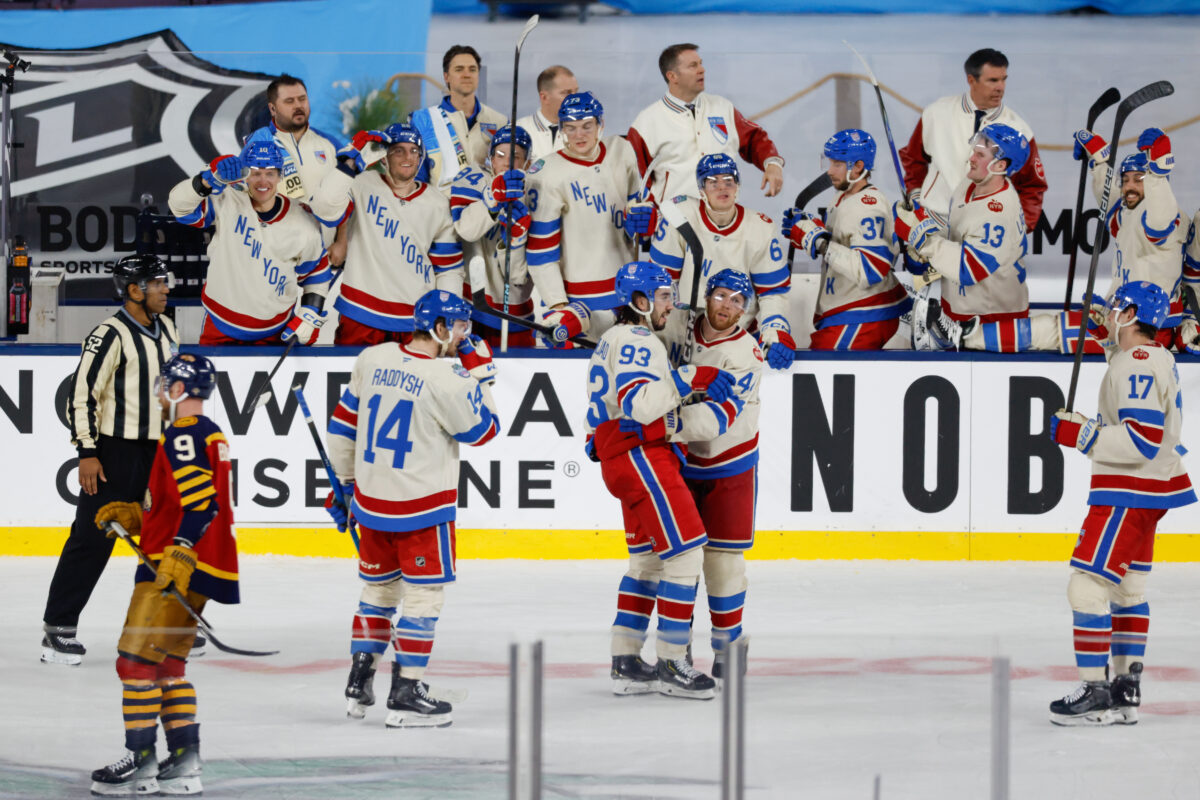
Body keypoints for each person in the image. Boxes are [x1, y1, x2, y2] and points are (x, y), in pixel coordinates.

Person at [325, 290, 501, 728]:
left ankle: (359, 679)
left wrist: (345, 486)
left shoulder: (374, 357)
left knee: (378, 593)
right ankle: (405, 691)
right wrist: (483, 374)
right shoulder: (450, 382)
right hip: (422, 511)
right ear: (440, 328)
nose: (465, 335)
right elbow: (487, 430)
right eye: (460, 327)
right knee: (423, 598)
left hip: (371, 505)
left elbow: (342, 428)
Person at [588, 261, 742, 700]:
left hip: (622, 457)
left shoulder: (611, 341)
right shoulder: (638, 340)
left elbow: (602, 415)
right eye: (661, 296)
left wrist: (597, 438)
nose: (669, 305)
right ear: (638, 302)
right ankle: (673, 661)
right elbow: (640, 406)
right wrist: (693, 376)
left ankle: (625, 657)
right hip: (641, 458)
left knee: (648, 562)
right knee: (687, 552)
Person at [1047, 281, 1195, 726]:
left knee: (1087, 587)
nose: (1109, 315)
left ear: (1130, 316)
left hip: (1126, 492)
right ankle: (1125, 692)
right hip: (1149, 492)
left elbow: (1141, 439)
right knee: (1128, 592)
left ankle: (1095, 694)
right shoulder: (1153, 358)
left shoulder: (1136, 362)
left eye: (1115, 309)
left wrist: (1082, 435)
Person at [89, 353, 236, 796]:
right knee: (168, 665)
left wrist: (180, 553)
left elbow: (201, 505)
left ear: (177, 390)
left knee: (133, 662)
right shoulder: (207, 434)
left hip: (170, 569)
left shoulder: (184, 435)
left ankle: (142, 763)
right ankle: (184, 764)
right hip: (194, 566)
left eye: (163, 385)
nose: (158, 393)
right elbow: (178, 505)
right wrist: (137, 516)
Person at [40, 255, 178, 667]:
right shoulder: (109, 335)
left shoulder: (168, 327)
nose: (165, 289)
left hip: (157, 452)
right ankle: (57, 630)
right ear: (134, 290)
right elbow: (81, 396)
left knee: (166, 537)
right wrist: (87, 452)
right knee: (91, 540)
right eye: (157, 283)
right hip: (116, 453)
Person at [673, 270, 763, 679]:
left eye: (738, 301)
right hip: (680, 464)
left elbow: (713, 423)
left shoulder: (746, 354)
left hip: (731, 464)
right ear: (707, 296)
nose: (727, 306)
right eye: (721, 296)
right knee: (679, 561)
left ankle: (729, 648)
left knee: (723, 562)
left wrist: (655, 424)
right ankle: (677, 650)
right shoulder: (680, 326)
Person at [312, 123, 464, 345]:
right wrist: (348, 164)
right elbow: (324, 208)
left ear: (421, 158)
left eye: (414, 151)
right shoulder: (361, 183)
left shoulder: (438, 203)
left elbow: (448, 268)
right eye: (398, 150)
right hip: (360, 314)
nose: (407, 157)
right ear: (384, 157)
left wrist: (446, 316)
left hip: (415, 321)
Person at [169, 140, 333, 346]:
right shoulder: (227, 198)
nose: (262, 181)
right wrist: (205, 181)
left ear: (280, 176)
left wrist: (310, 314)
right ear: (246, 175)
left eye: (270, 173)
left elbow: (317, 272)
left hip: (274, 332)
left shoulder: (303, 220)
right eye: (255, 173)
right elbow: (180, 208)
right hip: (220, 326)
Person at [649, 153, 795, 368]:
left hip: (737, 336)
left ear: (738, 186)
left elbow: (772, 293)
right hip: (684, 337)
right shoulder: (679, 216)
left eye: (729, 181)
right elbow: (660, 284)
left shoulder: (760, 228)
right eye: (712, 182)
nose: (722, 188)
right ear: (701, 190)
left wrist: (775, 333)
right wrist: (654, 332)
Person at [893, 123, 1031, 352]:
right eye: (974, 150)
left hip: (991, 320)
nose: (971, 158)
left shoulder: (998, 212)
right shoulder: (971, 183)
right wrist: (923, 226)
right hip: (961, 311)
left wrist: (920, 238)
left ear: (1000, 165)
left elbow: (969, 269)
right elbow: (957, 235)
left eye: (980, 154)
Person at [527, 92, 648, 342]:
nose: (579, 135)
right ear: (561, 129)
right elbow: (541, 252)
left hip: (626, 293)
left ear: (600, 124)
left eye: (586, 126)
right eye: (570, 128)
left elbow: (639, 211)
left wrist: (643, 224)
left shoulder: (621, 150)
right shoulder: (546, 173)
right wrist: (559, 306)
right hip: (580, 303)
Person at [782, 130, 908, 350]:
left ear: (858, 166)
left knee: (823, 371)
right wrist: (809, 231)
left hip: (863, 313)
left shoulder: (869, 206)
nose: (830, 171)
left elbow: (871, 268)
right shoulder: (843, 195)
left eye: (837, 164)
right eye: (829, 162)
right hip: (847, 310)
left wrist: (817, 241)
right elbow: (842, 243)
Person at [899, 48, 1046, 231]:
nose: (1000, 87)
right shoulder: (936, 113)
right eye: (993, 80)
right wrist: (915, 194)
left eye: (1003, 79)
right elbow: (913, 158)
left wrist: (1020, 228)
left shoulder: (1019, 128)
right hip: (934, 221)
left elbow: (1032, 185)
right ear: (971, 80)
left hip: (987, 228)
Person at [627, 43, 785, 204]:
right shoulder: (646, 122)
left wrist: (772, 163)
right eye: (693, 66)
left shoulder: (723, 108)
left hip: (724, 219)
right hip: (673, 223)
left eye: (701, 63)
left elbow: (754, 139)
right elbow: (633, 181)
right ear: (672, 76)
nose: (702, 69)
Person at [245, 73, 349, 265]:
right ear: (273, 109)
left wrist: (342, 242)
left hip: (323, 259)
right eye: (289, 101)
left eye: (302, 99)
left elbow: (345, 195)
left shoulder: (331, 145)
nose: (298, 106)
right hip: (274, 260)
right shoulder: (257, 145)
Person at [450, 125, 536, 347]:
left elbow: (518, 277)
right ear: (490, 158)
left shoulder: (535, 192)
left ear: (527, 162)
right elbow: (465, 230)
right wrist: (492, 198)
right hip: (471, 305)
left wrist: (516, 240)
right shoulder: (472, 179)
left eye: (515, 156)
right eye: (500, 155)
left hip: (515, 311)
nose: (507, 162)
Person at [410, 45, 508, 192]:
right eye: (459, 69)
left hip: (486, 209)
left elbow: (507, 169)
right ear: (446, 76)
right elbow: (415, 180)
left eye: (472, 69)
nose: (466, 74)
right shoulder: (423, 121)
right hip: (441, 208)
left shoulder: (500, 121)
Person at [515, 65, 578, 161]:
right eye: (567, 93)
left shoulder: (585, 132)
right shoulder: (517, 130)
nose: (575, 98)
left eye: (576, 92)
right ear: (544, 97)